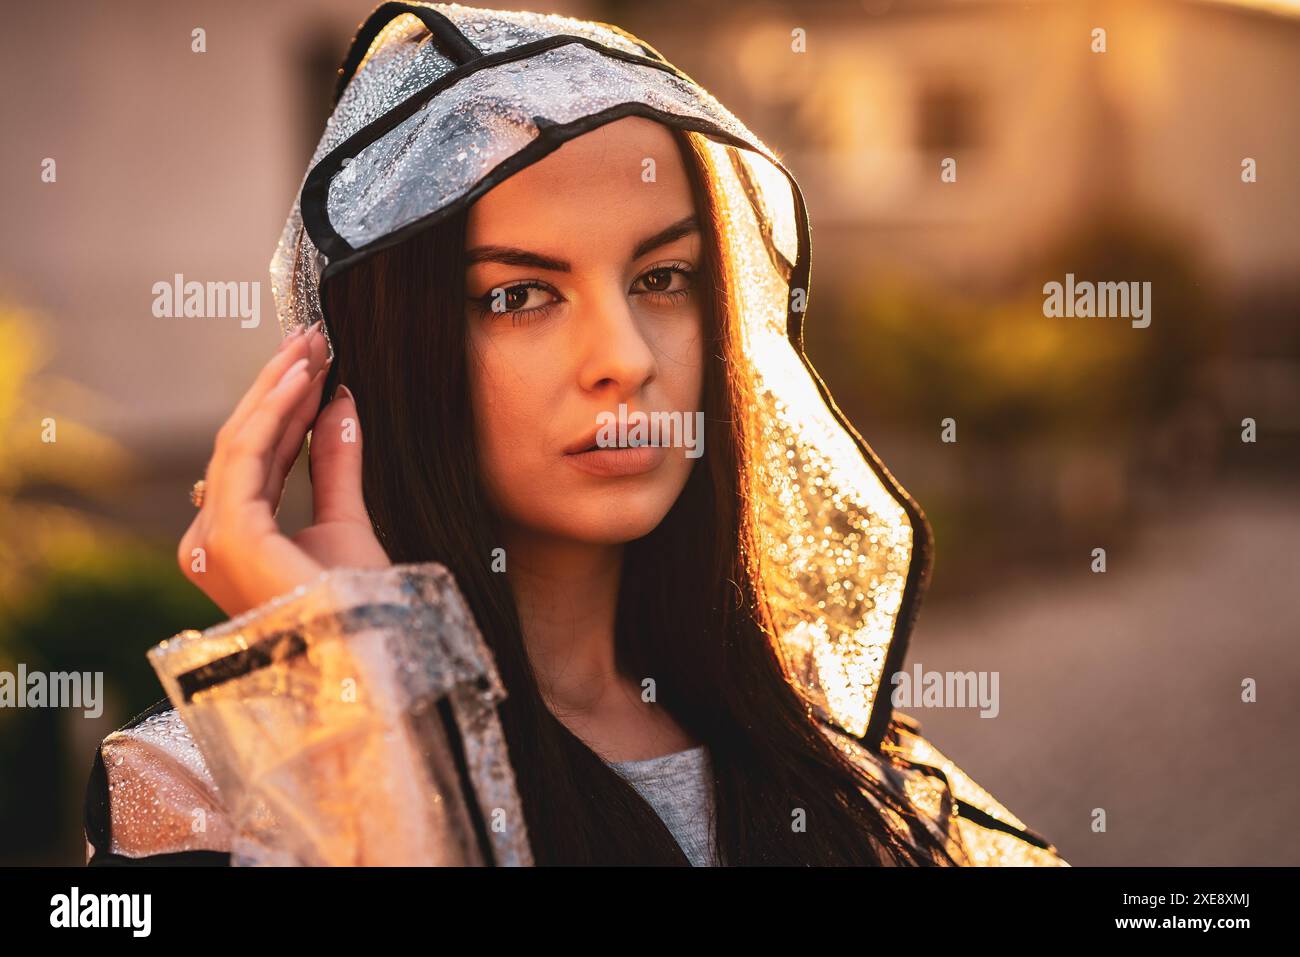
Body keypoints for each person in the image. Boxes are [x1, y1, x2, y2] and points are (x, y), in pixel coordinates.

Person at [84, 2, 1067, 867]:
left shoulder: (826, 756)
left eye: (660, 280)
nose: (625, 356)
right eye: (519, 295)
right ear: (376, 359)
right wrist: (356, 687)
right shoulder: (205, 794)